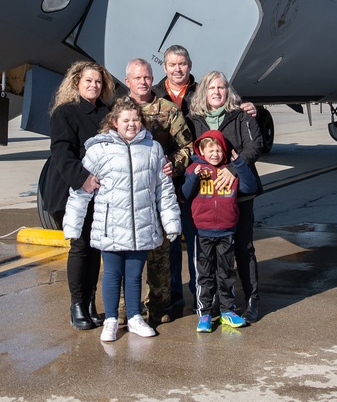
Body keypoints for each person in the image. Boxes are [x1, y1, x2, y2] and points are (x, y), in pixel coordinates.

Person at [62, 97, 181, 342]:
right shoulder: (98, 150)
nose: (131, 124)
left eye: (136, 119)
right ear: (114, 122)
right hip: (111, 225)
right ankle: (111, 320)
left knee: (135, 273)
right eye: (125, 120)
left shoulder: (152, 148)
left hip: (141, 224)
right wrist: (72, 226)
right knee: (113, 274)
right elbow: (81, 191)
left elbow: (164, 190)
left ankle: (135, 317)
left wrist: (171, 223)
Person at [151, 44, 256, 305]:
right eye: (172, 64)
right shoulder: (154, 97)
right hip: (168, 180)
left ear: (190, 65)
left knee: (201, 242)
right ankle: (173, 295)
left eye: (182, 64)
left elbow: (249, 138)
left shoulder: (202, 93)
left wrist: (251, 108)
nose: (178, 69)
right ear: (164, 67)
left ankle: (203, 296)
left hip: (201, 185)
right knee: (170, 243)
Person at [42, 60, 117, 330]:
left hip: (98, 191)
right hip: (71, 190)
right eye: (89, 81)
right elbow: (62, 152)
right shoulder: (64, 113)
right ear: (77, 83)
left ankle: (89, 303)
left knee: (95, 247)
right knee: (81, 246)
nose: (94, 86)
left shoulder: (107, 113)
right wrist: (82, 179)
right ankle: (76, 305)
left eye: (98, 82)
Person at [187, 70, 264, 323]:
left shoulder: (241, 116)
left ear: (227, 91)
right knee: (210, 259)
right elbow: (190, 150)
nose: (217, 92)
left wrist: (233, 168)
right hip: (209, 200)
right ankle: (214, 306)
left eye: (221, 87)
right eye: (211, 88)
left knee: (243, 249)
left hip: (238, 196)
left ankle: (252, 299)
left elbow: (256, 145)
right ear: (204, 92)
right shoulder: (195, 119)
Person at [123, 58, 194, 324]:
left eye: (146, 77)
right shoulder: (119, 111)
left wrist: (172, 165)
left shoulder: (167, 110)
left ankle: (160, 305)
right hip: (127, 195)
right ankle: (126, 307)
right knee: (125, 253)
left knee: (160, 253)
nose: (143, 82)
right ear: (127, 81)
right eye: (137, 78)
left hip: (158, 193)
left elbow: (188, 147)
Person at [181, 130, 258, 332]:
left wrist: (239, 164)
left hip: (226, 231)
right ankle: (204, 314)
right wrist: (193, 178)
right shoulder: (195, 169)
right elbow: (185, 194)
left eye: (218, 150)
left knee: (226, 274)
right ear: (202, 152)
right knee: (204, 275)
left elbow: (250, 187)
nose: (215, 154)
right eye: (210, 150)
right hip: (203, 232)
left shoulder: (230, 171)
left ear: (224, 152)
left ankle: (227, 311)